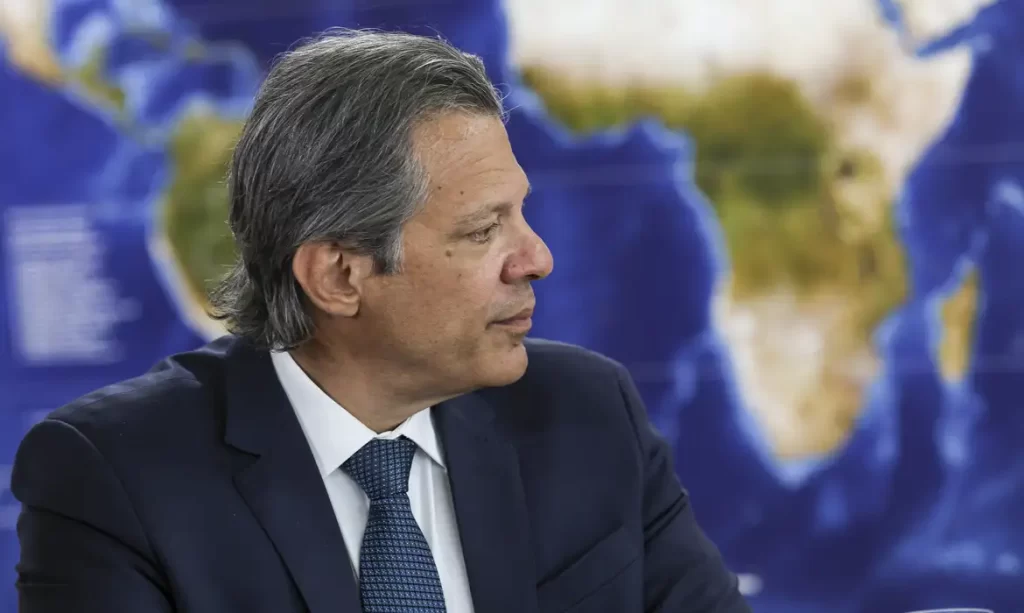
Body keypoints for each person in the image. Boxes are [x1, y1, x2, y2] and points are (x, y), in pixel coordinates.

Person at [10, 29, 751, 613]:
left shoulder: (588, 414)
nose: (537, 257)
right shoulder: (114, 476)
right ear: (339, 276)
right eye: (483, 230)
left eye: (520, 213)